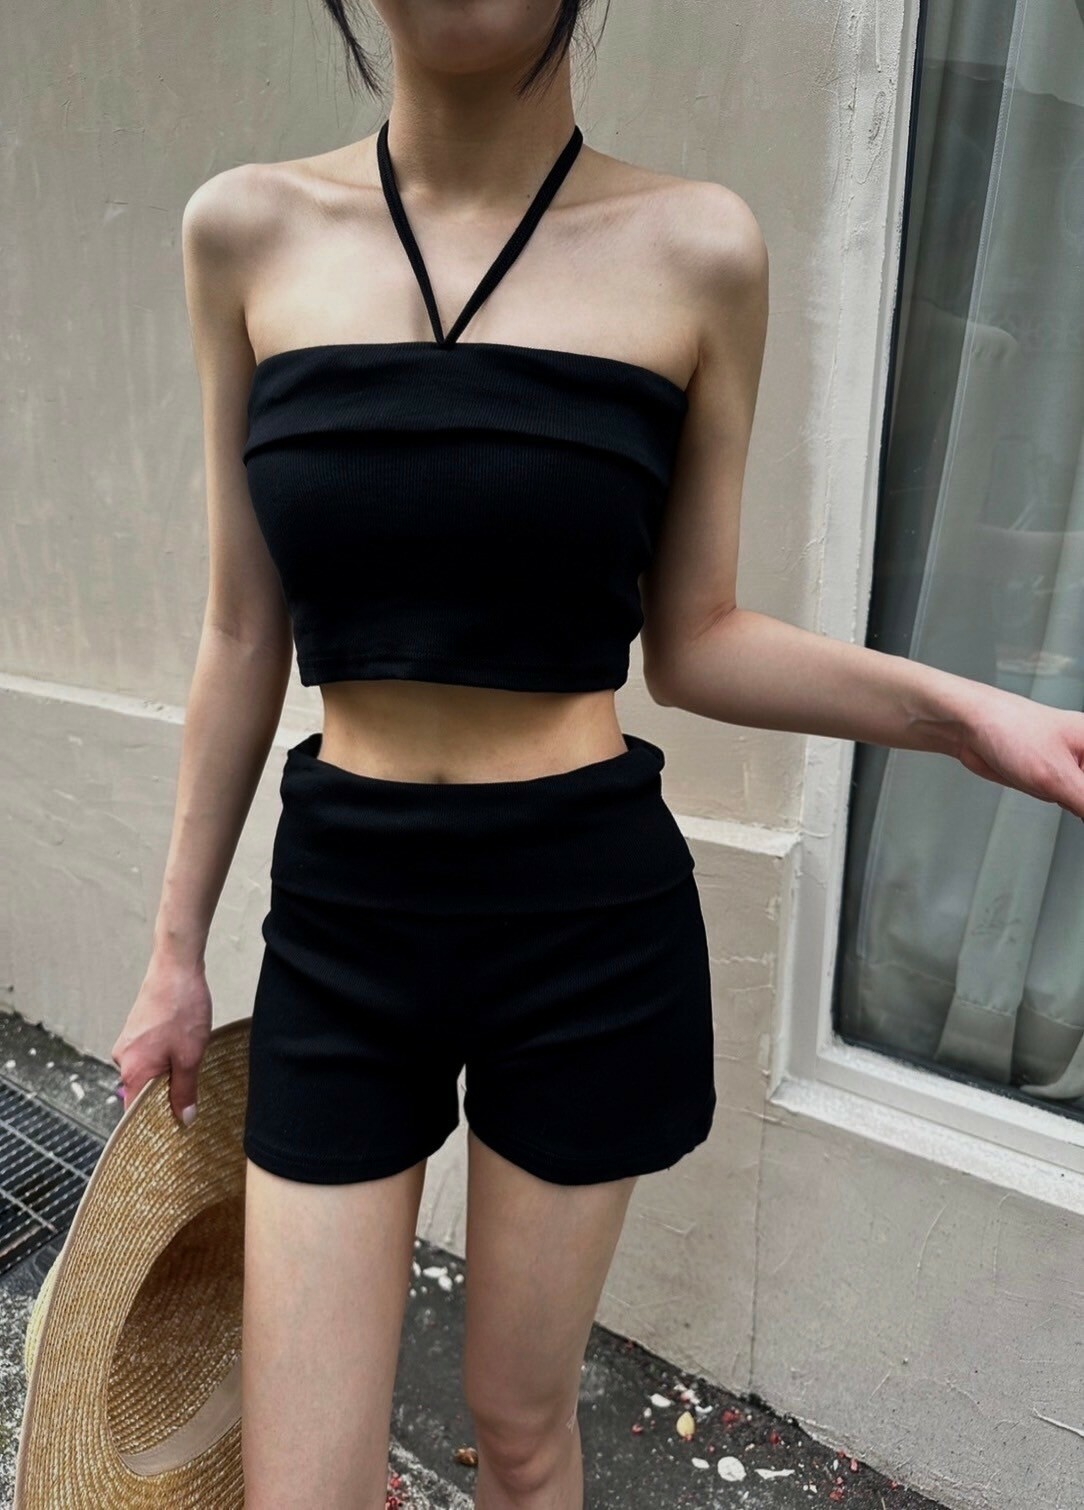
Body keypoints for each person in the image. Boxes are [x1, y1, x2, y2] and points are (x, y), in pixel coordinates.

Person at [109, 3, 1084, 1508]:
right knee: (299, 1484)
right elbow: (244, 630)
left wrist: (966, 716)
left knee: (522, 1432)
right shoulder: (244, 233)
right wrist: (175, 951)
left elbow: (696, 638)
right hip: (346, 914)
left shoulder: (699, 251)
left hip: (585, 915)